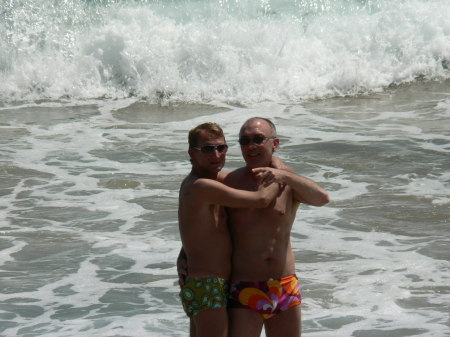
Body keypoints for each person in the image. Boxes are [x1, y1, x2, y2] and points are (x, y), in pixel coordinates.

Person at [221, 117, 330, 337]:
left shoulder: (289, 183)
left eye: (258, 139)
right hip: (245, 285)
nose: (251, 146)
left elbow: (322, 198)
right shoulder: (229, 182)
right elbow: (207, 227)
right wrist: (185, 256)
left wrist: (283, 175)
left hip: (284, 285)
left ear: (275, 143)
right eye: (244, 141)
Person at [177, 122, 280, 337]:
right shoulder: (201, 187)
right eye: (207, 149)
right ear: (191, 153)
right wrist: (277, 170)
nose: (216, 154)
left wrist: (183, 253)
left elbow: (195, 229)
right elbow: (261, 199)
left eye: (221, 148)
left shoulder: (206, 184)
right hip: (208, 285)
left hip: (205, 283)